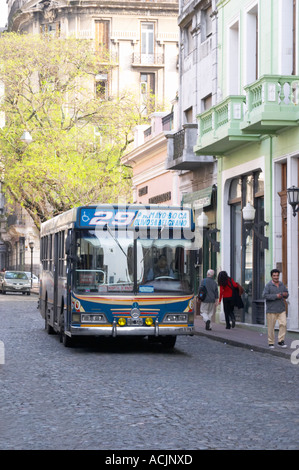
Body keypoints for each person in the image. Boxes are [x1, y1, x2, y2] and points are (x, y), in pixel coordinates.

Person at [262, 268, 289, 349]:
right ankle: (271, 342)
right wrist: (275, 296)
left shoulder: (281, 284)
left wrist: (285, 294)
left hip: (281, 309)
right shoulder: (268, 285)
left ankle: (281, 341)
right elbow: (264, 295)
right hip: (271, 310)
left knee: (283, 324)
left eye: (277, 276)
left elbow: (287, 294)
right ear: (271, 276)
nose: (276, 277)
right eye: (274, 276)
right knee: (271, 327)